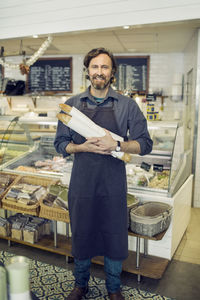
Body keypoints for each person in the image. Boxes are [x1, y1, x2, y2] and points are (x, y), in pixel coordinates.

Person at [54, 47, 153, 300]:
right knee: (82, 233)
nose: (99, 72)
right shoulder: (72, 106)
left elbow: (145, 143)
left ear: (112, 73)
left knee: (114, 234)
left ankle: (113, 288)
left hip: (113, 184)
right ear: (88, 71)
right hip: (83, 183)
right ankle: (80, 285)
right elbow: (60, 144)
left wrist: (117, 145)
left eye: (105, 67)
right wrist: (80, 147)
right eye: (95, 67)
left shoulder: (127, 106)